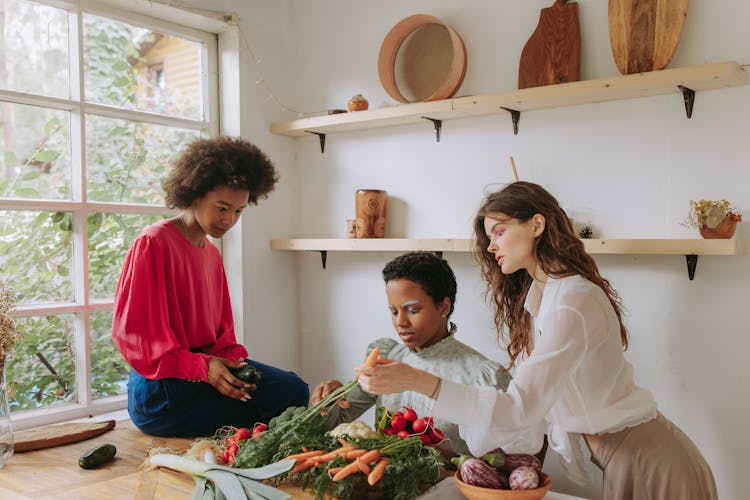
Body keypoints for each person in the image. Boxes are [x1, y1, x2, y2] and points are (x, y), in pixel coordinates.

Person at [358, 182, 717, 499]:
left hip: (652, 460)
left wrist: (418, 381)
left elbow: (519, 408)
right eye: (488, 236)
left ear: (537, 224)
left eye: (498, 232)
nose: (491, 246)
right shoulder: (542, 299)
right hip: (622, 457)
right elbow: (526, 416)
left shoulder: (574, 300)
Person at [112, 136, 309, 437]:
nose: (229, 220)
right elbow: (136, 340)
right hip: (161, 391)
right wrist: (204, 368)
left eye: (239, 211)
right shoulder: (153, 243)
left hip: (204, 375)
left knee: (294, 391)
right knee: (276, 409)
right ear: (195, 193)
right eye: (221, 208)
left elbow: (221, 336)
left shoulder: (211, 254)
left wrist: (232, 368)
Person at [311, 251, 511, 457]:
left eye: (413, 310)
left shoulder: (484, 375)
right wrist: (329, 401)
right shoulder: (385, 359)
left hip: (453, 488)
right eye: (394, 311)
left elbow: (518, 458)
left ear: (443, 307)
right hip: (382, 486)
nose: (400, 322)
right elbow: (335, 420)